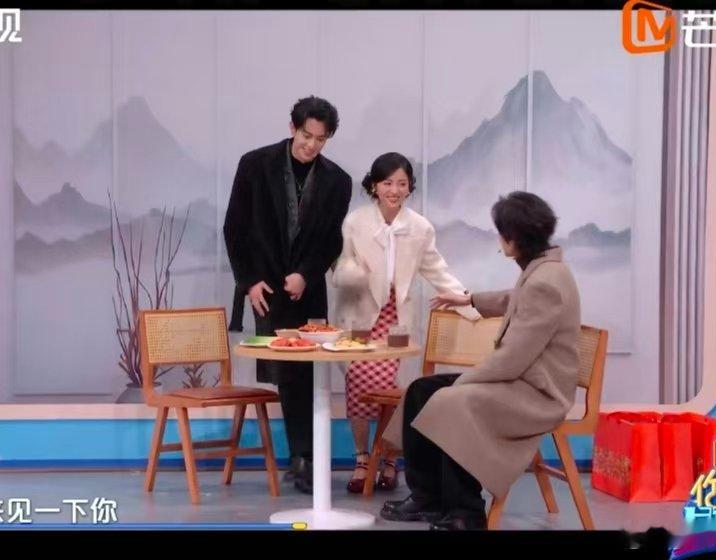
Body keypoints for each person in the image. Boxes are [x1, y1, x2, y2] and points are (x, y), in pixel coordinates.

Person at [379, 191, 581, 530]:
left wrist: (463, 382)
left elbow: (512, 360)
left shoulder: (546, 281)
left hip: (538, 394)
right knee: (421, 390)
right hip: (523, 382)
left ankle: (466, 512)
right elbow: (516, 298)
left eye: (501, 233)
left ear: (513, 238)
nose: (499, 240)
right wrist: (470, 299)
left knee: (453, 401)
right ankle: (428, 497)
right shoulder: (545, 270)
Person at [222, 96, 353, 494]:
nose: (311, 145)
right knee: (287, 373)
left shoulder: (338, 181)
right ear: (293, 127)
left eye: (321, 139)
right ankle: (301, 458)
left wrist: (306, 275)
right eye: (306, 135)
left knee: (311, 372)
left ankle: (307, 459)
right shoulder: (254, 165)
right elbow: (235, 228)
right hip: (266, 288)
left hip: (307, 291)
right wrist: (250, 282)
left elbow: (331, 240)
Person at [332, 152, 478, 494]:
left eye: (402, 183)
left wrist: (472, 304)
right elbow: (339, 268)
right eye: (387, 183)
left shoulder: (420, 227)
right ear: (374, 185)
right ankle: (362, 458)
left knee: (397, 392)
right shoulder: (355, 222)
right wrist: (356, 273)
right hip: (360, 318)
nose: (394, 190)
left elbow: (437, 271)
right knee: (359, 389)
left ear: (410, 187)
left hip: (397, 321)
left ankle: (389, 460)